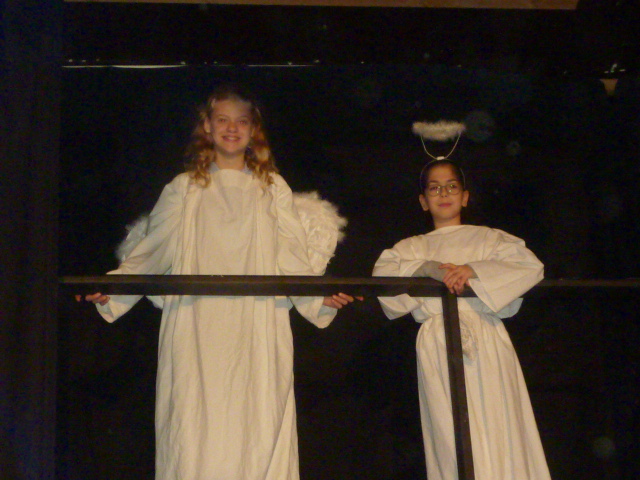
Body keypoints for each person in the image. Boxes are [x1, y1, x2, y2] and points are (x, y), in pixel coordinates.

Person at [78, 84, 357, 480]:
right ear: (207, 126)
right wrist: (116, 289)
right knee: (195, 424)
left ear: (253, 130)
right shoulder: (184, 188)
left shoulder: (272, 188)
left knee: (257, 421)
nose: (231, 128)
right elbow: (152, 249)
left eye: (241, 121)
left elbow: (292, 253)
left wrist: (316, 297)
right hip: (197, 326)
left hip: (256, 324)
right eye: (222, 119)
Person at [372, 158, 551, 480]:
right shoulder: (411, 247)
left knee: (499, 421)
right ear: (423, 201)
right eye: (434, 188)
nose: (444, 193)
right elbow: (384, 281)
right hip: (437, 339)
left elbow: (529, 266)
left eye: (451, 186)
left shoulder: (490, 239)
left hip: (486, 333)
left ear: (465, 196)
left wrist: (474, 270)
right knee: (449, 428)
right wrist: (426, 268)